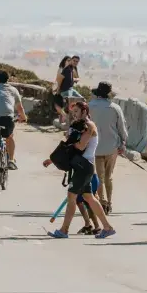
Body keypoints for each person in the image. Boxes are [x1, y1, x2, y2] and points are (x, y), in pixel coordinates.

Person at [45, 101, 116, 239]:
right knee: (88, 197)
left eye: (77, 112)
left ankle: (64, 230)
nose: (75, 115)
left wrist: (71, 138)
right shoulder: (80, 126)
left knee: (71, 197)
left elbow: (81, 146)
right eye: (73, 113)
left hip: (84, 167)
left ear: (84, 111)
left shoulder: (89, 126)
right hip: (82, 166)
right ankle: (107, 227)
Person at [88, 81, 128, 215]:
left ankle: (102, 202)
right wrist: (123, 143)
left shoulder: (90, 106)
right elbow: (122, 129)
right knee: (108, 176)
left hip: (95, 146)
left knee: (98, 176)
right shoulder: (115, 108)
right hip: (112, 147)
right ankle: (109, 203)